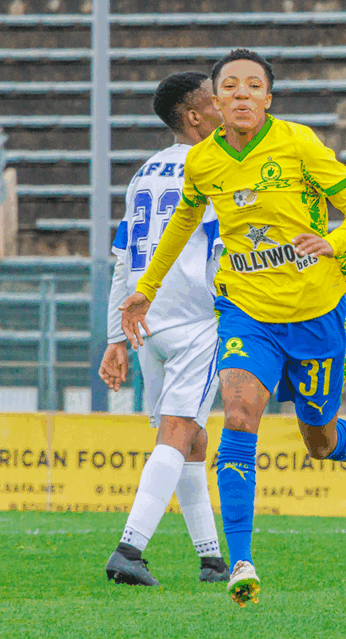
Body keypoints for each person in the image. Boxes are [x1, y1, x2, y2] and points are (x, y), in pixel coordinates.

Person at [119, 49, 346, 607]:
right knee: (238, 416)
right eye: (231, 85)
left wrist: (332, 242)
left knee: (319, 440)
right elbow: (182, 222)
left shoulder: (299, 143)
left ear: (268, 98)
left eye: (253, 85)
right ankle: (240, 561)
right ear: (215, 99)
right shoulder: (203, 161)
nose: (242, 93)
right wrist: (147, 287)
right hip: (245, 310)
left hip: (316, 312)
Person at [99, 71, 229, 587]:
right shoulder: (215, 167)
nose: (224, 106)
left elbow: (122, 260)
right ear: (195, 115)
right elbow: (222, 249)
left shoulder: (144, 173)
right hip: (198, 319)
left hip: (147, 321)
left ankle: (211, 559)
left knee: (190, 438)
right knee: (178, 432)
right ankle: (129, 549)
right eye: (215, 100)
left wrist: (116, 336)